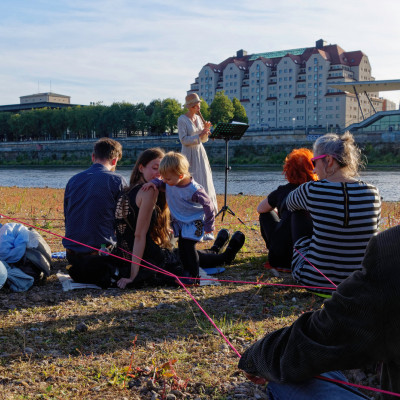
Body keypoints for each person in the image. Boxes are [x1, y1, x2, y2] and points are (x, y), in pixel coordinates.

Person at [238, 224, 400, 400]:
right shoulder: (372, 196)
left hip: (310, 272)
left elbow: (324, 334)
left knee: (284, 378)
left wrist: (257, 358)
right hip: (352, 270)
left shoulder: (392, 250)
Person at [115, 148, 245, 289]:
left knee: (185, 251)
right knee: (184, 254)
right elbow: (138, 235)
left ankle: (219, 249)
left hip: (139, 253)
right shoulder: (150, 189)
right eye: (155, 168)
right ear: (141, 167)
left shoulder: (133, 190)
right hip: (145, 257)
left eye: (164, 171)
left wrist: (208, 225)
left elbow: (206, 205)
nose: (160, 175)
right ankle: (223, 253)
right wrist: (133, 276)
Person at [286, 132, 381, 293]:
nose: (314, 169)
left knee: (297, 211)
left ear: (328, 160)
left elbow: (289, 204)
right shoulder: (373, 192)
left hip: (315, 280)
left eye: (314, 162)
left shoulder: (310, 190)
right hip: (361, 284)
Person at [63, 138, 127, 285]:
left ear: (93, 157)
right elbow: (123, 220)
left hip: (72, 256)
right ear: (115, 161)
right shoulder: (117, 180)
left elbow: (67, 216)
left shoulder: (73, 180)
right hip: (100, 258)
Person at [145, 151, 215, 280]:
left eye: (168, 178)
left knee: (188, 246)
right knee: (182, 247)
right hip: (181, 221)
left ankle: (194, 275)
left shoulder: (194, 191)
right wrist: (154, 183)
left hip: (195, 222)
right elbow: (161, 183)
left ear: (181, 175)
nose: (165, 181)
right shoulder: (171, 182)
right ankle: (186, 270)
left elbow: (209, 206)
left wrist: (209, 224)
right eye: (163, 178)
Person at [257, 148, 317, 269]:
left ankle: (274, 247)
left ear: (288, 170)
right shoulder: (317, 190)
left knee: (266, 214)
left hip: (278, 259)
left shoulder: (282, 191)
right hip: (306, 257)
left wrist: (277, 211)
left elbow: (260, 209)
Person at [178, 93, 218, 213]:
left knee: (204, 177)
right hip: (188, 153)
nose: (199, 107)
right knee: (191, 178)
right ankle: (191, 208)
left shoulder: (199, 119)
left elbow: (203, 140)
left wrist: (205, 131)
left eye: (199, 104)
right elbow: (183, 139)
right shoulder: (182, 119)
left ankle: (206, 208)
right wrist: (200, 135)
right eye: (197, 104)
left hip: (200, 152)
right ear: (191, 106)